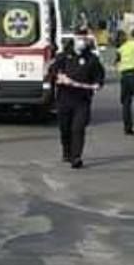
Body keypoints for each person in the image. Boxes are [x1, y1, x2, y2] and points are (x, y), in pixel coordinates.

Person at [51, 34, 105, 169]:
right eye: (80, 38)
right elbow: (52, 71)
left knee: (78, 128)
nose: (82, 41)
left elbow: (99, 76)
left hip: (82, 100)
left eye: (85, 39)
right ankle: (67, 151)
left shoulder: (92, 59)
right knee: (65, 128)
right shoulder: (64, 56)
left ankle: (76, 157)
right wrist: (58, 76)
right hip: (65, 98)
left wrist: (97, 84)